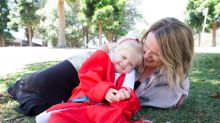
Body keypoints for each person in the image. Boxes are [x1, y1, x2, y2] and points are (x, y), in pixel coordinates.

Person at [7, 17, 194, 117]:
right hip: (88, 72)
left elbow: (180, 94)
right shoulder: (134, 44)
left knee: (48, 108)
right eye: (146, 46)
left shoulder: (173, 79)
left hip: (101, 98)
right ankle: (18, 86)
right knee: (40, 83)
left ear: (173, 57)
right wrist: (100, 71)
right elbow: (105, 50)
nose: (146, 56)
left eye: (154, 54)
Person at [35, 38, 148, 123]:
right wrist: (105, 91)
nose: (125, 64)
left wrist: (124, 98)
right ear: (115, 52)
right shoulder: (102, 61)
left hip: (104, 112)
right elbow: (87, 78)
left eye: (130, 64)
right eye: (124, 57)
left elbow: (133, 104)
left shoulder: (127, 78)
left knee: (115, 117)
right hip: (84, 104)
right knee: (59, 119)